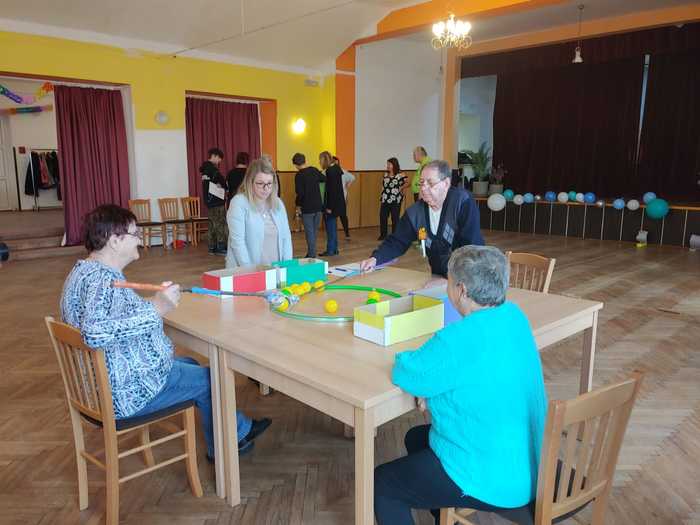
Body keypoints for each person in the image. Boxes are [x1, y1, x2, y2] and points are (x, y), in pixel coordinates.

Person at [60, 205, 271, 462]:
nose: (140, 240)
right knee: (213, 379)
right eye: (134, 234)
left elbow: (112, 315)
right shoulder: (103, 282)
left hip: (97, 386)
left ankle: (231, 435)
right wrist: (157, 308)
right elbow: (94, 332)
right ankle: (229, 445)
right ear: (114, 241)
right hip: (123, 393)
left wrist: (152, 302)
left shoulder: (83, 272)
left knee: (191, 364)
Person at [374, 245, 548, 524]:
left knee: (382, 485)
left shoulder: (456, 338)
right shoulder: (515, 316)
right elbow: (479, 375)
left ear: (462, 290)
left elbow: (406, 373)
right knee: (415, 438)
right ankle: (444, 518)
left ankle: (449, 501)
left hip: (491, 479)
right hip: (531, 463)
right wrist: (433, 393)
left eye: (449, 282)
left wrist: (428, 391)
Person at [361, 160, 484, 279]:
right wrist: (375, 258)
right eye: (422, 183)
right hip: (438, 275)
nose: (424, 189)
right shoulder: (415, 213)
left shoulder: (462, 202)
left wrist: (451, 281)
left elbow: (472, 248)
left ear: (446, 183)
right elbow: (397, 241)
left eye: (430, 183)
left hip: (469, 276)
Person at [226, 158, 293, 268]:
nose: (266, 188)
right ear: (250, 182)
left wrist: (287, 267)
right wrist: (250, 271)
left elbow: (286, 237)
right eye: (260, 183)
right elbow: (238, 242)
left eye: (269, 183)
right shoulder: (238, 203)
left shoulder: (278, 203)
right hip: (247, 271)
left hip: (275, 269)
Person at [293, 153, 325, 258]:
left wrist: (298, 205)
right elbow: (323, 179)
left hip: (307, 208)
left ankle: (311, 255)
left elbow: (300, 193)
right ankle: (311, 252)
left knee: (310, 233)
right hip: (318, 206)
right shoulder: (314, 170)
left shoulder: (298, 175)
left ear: (296, 165)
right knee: (314, 232)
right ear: (304, 160)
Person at [200, 147, 228, 255]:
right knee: (220, 223)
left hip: (209, 200)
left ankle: (212, 247)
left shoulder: (204, 169)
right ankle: (221, 247)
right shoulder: (213, 169)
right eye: (219, 158)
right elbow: (223, 182)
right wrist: (224, 186)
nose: (220, 161)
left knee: (212, 224)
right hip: (216, 200)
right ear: (215, 156)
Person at [319, 151, 345, 257]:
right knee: (333, 227)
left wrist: (329, 207)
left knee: (330, 228)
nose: (319, 162)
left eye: (320, 160)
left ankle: (330, 250)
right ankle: (334, 249)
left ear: (324, 160)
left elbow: (331, 191)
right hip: (338, 203)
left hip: (331, 204)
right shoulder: (337, 168)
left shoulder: (330, 171)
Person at [378, 157, 408, 240]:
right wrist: (381, 194)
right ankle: (383, 235)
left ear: (394, 164)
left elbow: (408, 182)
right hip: (385, 199)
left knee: (395, 218)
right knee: (382, 216)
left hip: (396, 199)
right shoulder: (385, 174)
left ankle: (395, 235)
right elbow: (383, 185)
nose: (387, 166)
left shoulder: (401, 174)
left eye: (389, 164)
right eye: (387, 164)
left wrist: (401, 187)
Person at [333, 155, 355, 240]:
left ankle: (347, 234)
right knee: (332, 217)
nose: (335, 164)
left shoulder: (343, 171)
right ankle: (333, 234)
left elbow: (352, 177)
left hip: (342, 198)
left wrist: (347, 185)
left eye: (336, 163)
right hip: (332, 198)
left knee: (343, 216)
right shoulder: (328, 171)